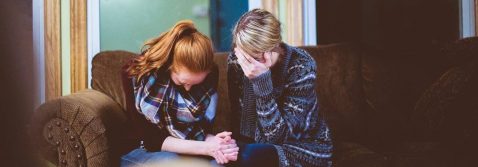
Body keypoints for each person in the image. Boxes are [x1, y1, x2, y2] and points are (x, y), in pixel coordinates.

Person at [121, 20, 238, 166]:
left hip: (188, 150)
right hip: (143, 150)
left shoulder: (210, 75)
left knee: (218, 164)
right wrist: (207, 148)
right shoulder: (135, 74)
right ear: (169, 65)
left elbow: (199, 133)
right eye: (183, 83)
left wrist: (217, 143)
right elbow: (152, 140)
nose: (188, 89)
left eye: (196, 84)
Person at [227, 9, 333, 166]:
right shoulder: (238, 62)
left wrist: (261, 82)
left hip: (303, 147)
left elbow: (277, 138)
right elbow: (243, 126)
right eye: (244, 55)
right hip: (257, 145)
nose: (246, 63)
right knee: (225, 154)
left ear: (273, 47)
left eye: (253, 57)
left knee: (248, 156)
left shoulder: (301, 66)